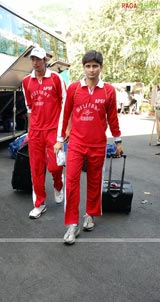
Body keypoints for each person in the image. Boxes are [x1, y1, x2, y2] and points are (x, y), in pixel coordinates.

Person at [54, 50, 123, 244]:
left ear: (101, 67)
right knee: (72, 183)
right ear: (83, 67)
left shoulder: (108, 90)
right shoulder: (75, 88)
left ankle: (90, 214)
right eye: (88, 66)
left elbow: (112, 118)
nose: (91, 70)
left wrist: (118, 141)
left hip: (98, 144)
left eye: (95, 66)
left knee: (94, 181)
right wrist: (60, 139)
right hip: (75, 144)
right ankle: (71, 225)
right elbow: (64, 115)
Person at [22, 47, 67, 219]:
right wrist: (30, 130)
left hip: (53, 130)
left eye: (38, 59)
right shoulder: (26, 82)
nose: (35, 62)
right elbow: (29, 107)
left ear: (45, 61)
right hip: (35, 132)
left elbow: (65, 104)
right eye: (32, 59)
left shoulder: (56, 79)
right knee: (36, 169)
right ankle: (39, 204)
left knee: (55, 166)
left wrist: (62, 133)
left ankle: (58, 183)